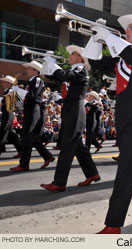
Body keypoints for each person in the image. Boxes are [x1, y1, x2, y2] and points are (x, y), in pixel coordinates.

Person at [84, 14, 132, 234]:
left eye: (131, 28)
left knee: (127, 168)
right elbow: (93, 59)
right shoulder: (122, 56)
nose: (126, 31)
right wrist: (96, 36)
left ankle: (113, 224)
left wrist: (109, 36)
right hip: (123, 115)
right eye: (126, 29)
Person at [40, 45, 100, 191]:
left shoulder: (80, 69)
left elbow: (64, 76)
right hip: (70, 108)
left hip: (75, 109)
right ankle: (92, 173)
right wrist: (47, 62)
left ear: (81, 58)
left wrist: (53, 63)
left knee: (67, 145)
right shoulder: (74, 70)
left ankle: (59, 182)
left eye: (73, 54)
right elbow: (51, 76)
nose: (70, 56)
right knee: (77, 144)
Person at [9, 61, 55, 172]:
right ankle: (47, 156)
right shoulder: (31, 82)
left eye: (29, 68)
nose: (27, 70)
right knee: (32, 137)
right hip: (30, 109)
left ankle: (24, 164)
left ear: (35, 70)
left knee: (27, 137)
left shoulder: (38, 80)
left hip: (34, 110)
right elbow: (28, 97)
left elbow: (33, 96)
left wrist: (18, 90)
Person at [0, 75, 22, 158]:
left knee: (3, 132)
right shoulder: (7, 91)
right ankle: (20, 150)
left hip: (8, 114)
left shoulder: (9, 91)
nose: (2, 83)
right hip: (8, 114)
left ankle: (1, 149)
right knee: (11, 134)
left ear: (9, 83)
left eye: (4, 81)